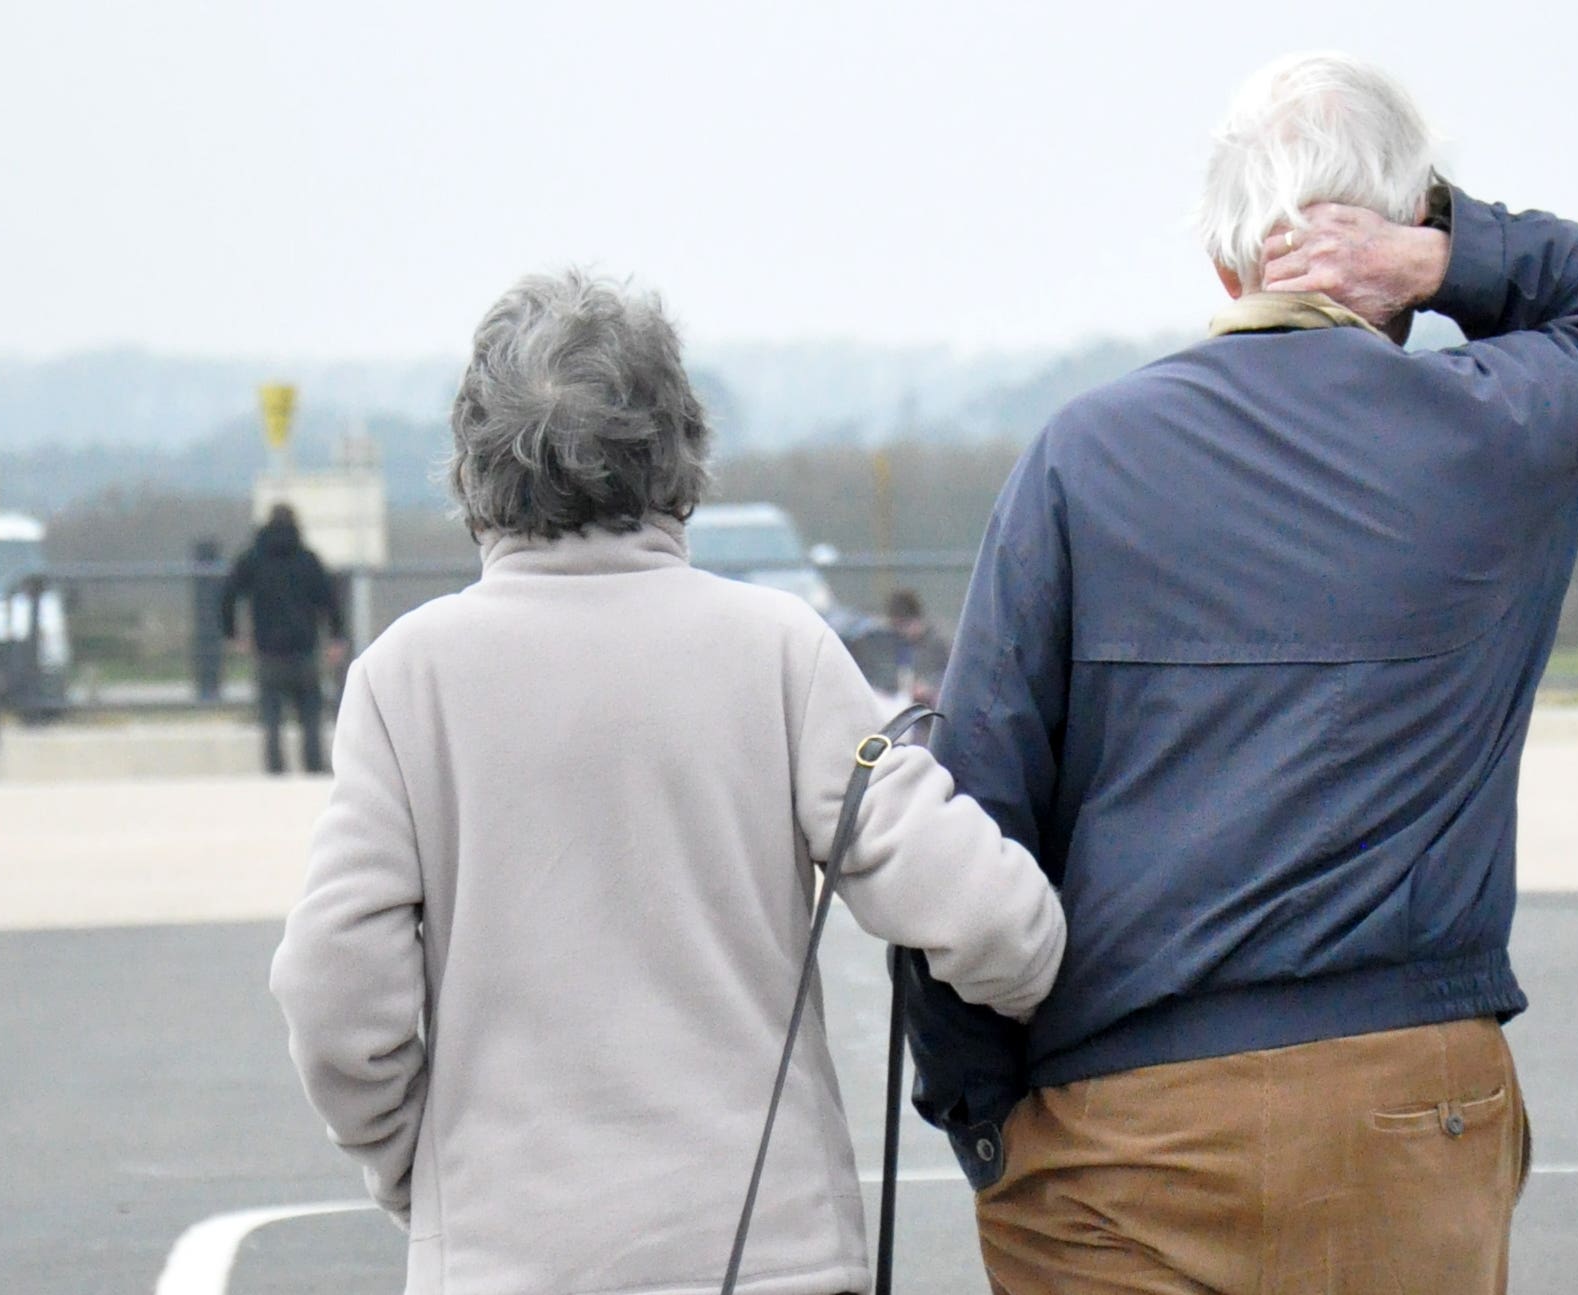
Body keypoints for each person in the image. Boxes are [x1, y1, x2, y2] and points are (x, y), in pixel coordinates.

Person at [902, 52, 1578, 1294]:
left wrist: (981, 1116)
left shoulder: (1082, 454)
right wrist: (1440, 252)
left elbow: (979, 800)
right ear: (1394, 242)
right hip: (1411, 1109)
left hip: (1123, 1119)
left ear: (1225, 258)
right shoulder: (1492, 428)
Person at [268, 270, 1065, 1295]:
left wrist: (414, 1169)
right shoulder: (778, 648)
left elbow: (332, 986)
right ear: (680, 445)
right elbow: (991, 918)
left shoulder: (403, 676)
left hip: (506, 1254)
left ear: (472, 461)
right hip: (767, 1251)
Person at [221, 504, 346, 774]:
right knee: (311, 715)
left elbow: (228, 595)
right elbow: (331, 601)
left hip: (267, 651)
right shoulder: (308, 560)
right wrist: (336, 637)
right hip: (304, 649)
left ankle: (275, 769)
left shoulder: (252, 559)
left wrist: (233, 634)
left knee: (271, 717)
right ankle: (313, 767)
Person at [885, 588, 951, 706]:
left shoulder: (938, 642)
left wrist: (930, 687)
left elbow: (951, 675)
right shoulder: (900, 643)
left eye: (904, 626)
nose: (902, 633)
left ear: (916, 620)